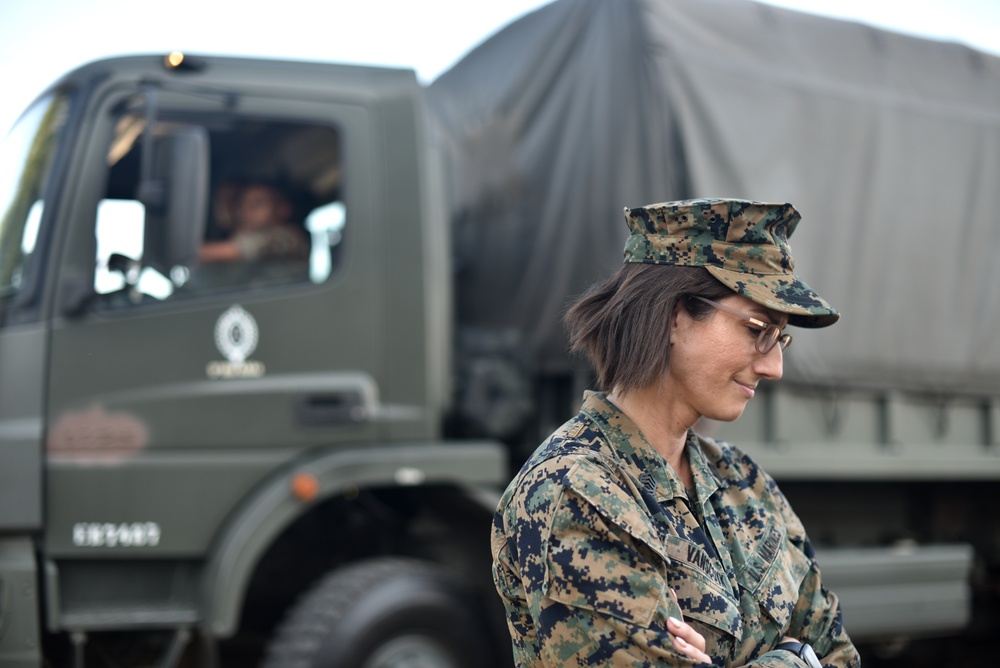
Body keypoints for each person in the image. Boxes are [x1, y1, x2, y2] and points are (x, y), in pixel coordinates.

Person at [491, 198, 859, 667]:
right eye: (757, 329)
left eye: (780, 337)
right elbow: (818, 655)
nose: (775, 366)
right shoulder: (576, 493)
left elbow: (841, 654)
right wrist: (794, 659)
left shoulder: (743, 479)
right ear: (674, 316)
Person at [199, 181, 309, 264]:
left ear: (282, 210)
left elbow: (224, 252)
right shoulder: (247, 233)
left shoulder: (285, 237)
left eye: (257, 204)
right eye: (242, 204)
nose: (245, 211)